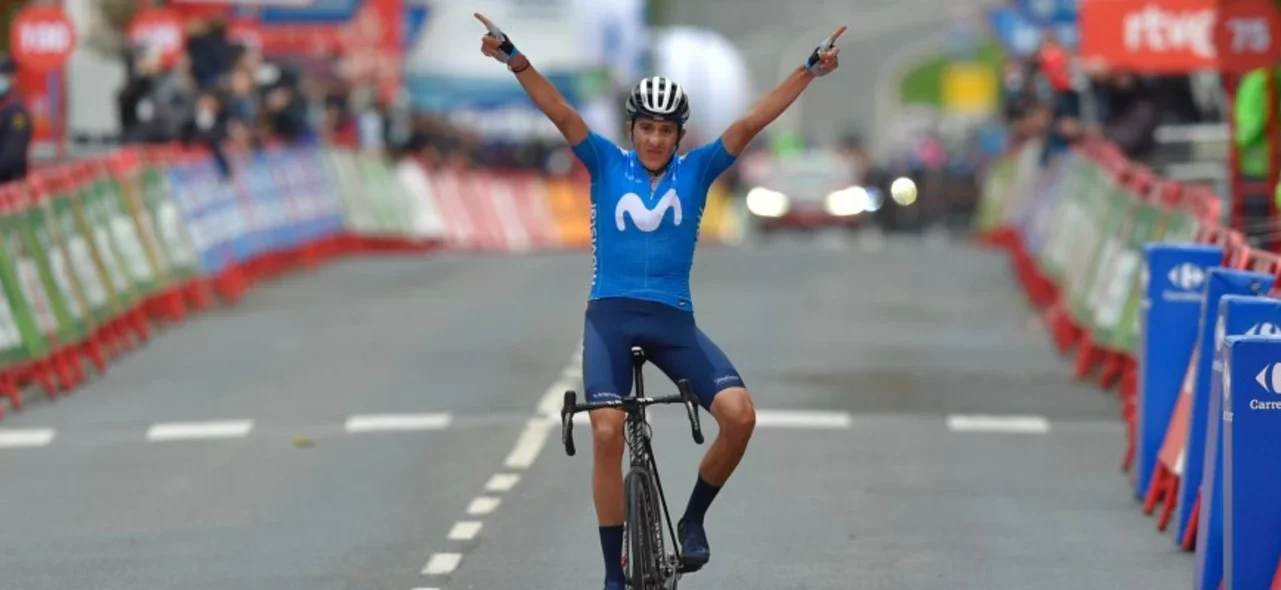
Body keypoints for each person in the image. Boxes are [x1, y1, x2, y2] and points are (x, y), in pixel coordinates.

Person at [474, 13, 843, 589]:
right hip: (610, 319)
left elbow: (753, 120)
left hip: (673, 322)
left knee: (740, 417)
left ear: (679, 136)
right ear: (631, 129)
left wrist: (809, 70)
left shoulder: (698, 170)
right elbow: (560, 112)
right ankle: (612, 575)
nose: (654, 139)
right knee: (606, 432)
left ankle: (692, 520)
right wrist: (514, 58)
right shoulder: (604, 162)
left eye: (665, 130)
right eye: (646, 127)